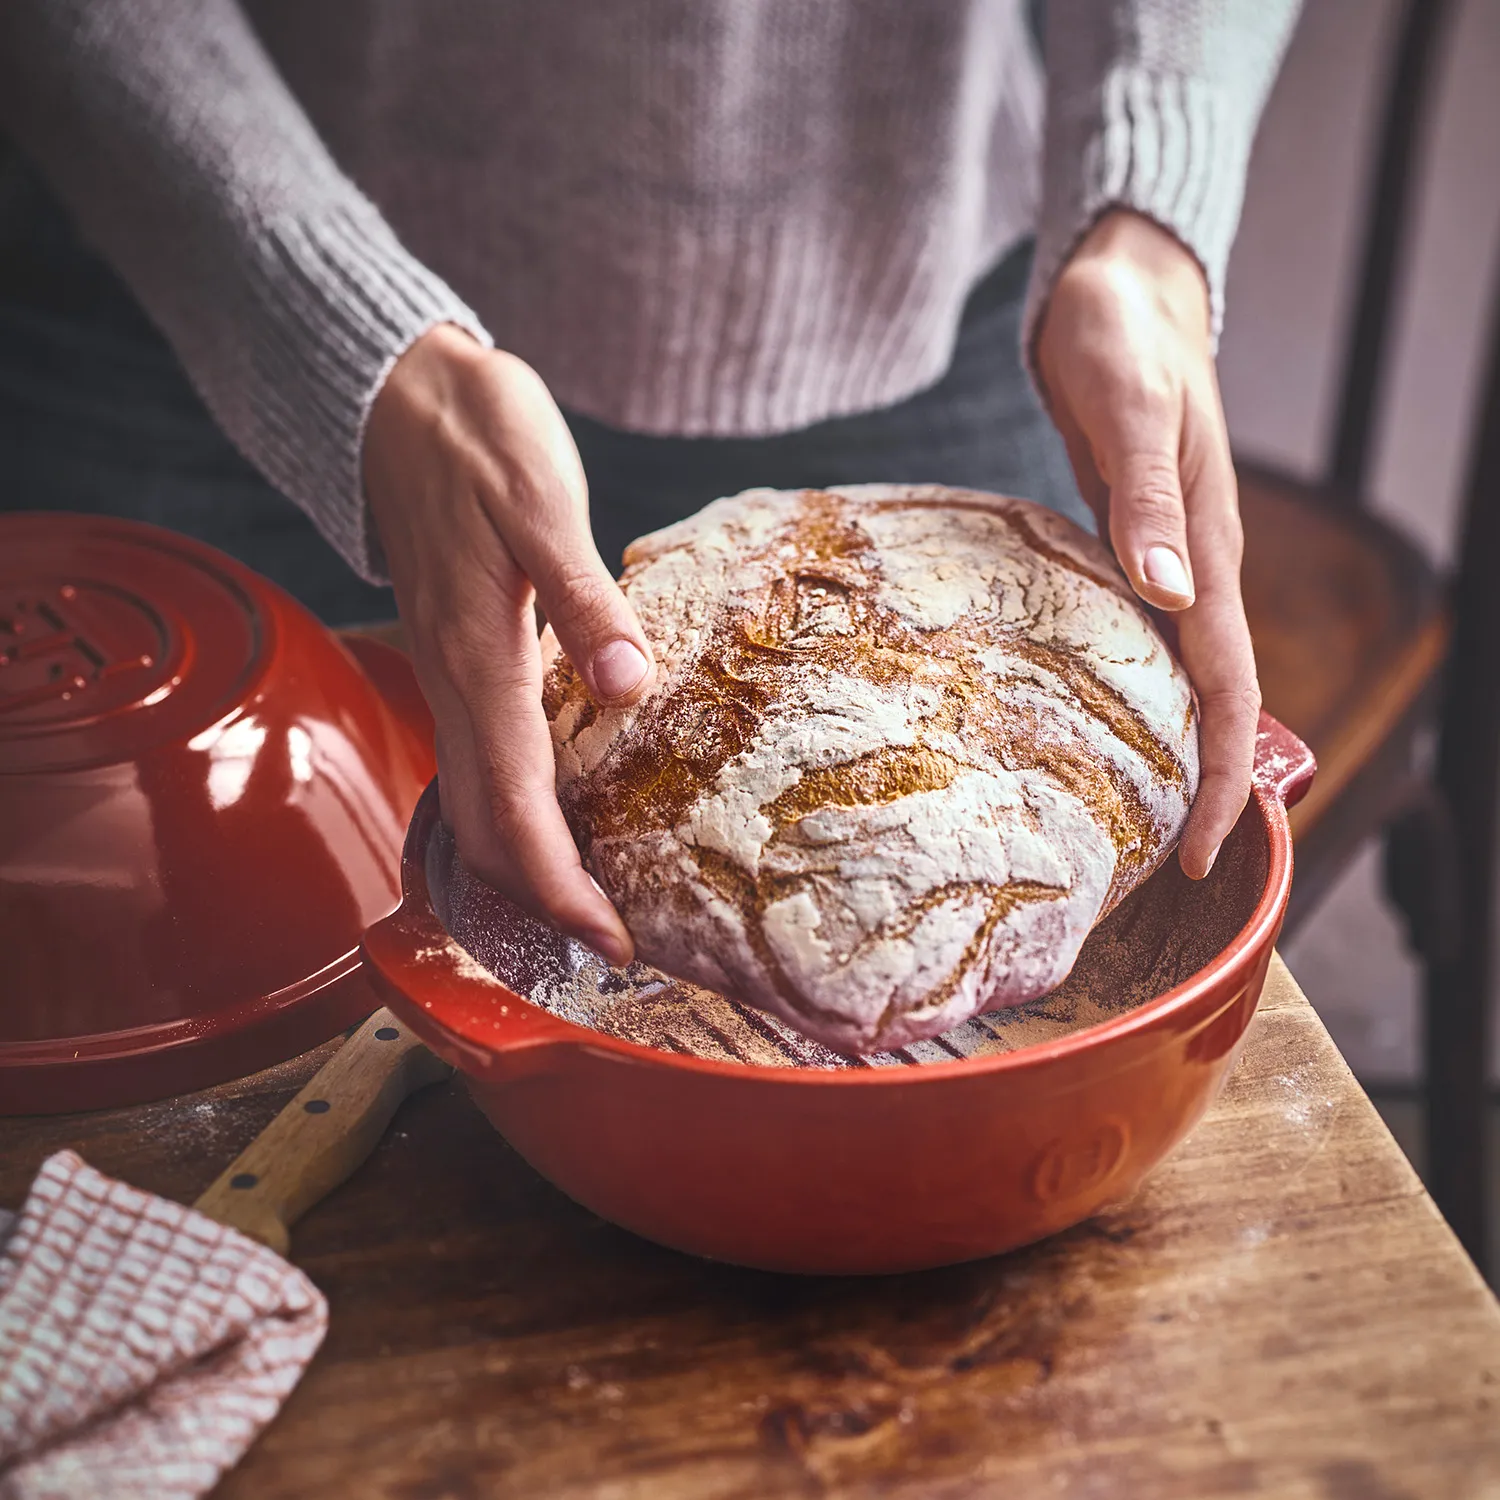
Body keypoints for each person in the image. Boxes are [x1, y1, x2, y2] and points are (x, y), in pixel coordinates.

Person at [0, 1, 1299, 966]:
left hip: (915, 274)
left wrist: (1148, 218)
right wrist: (328, 318)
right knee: (170, 970)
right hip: (215, 258)